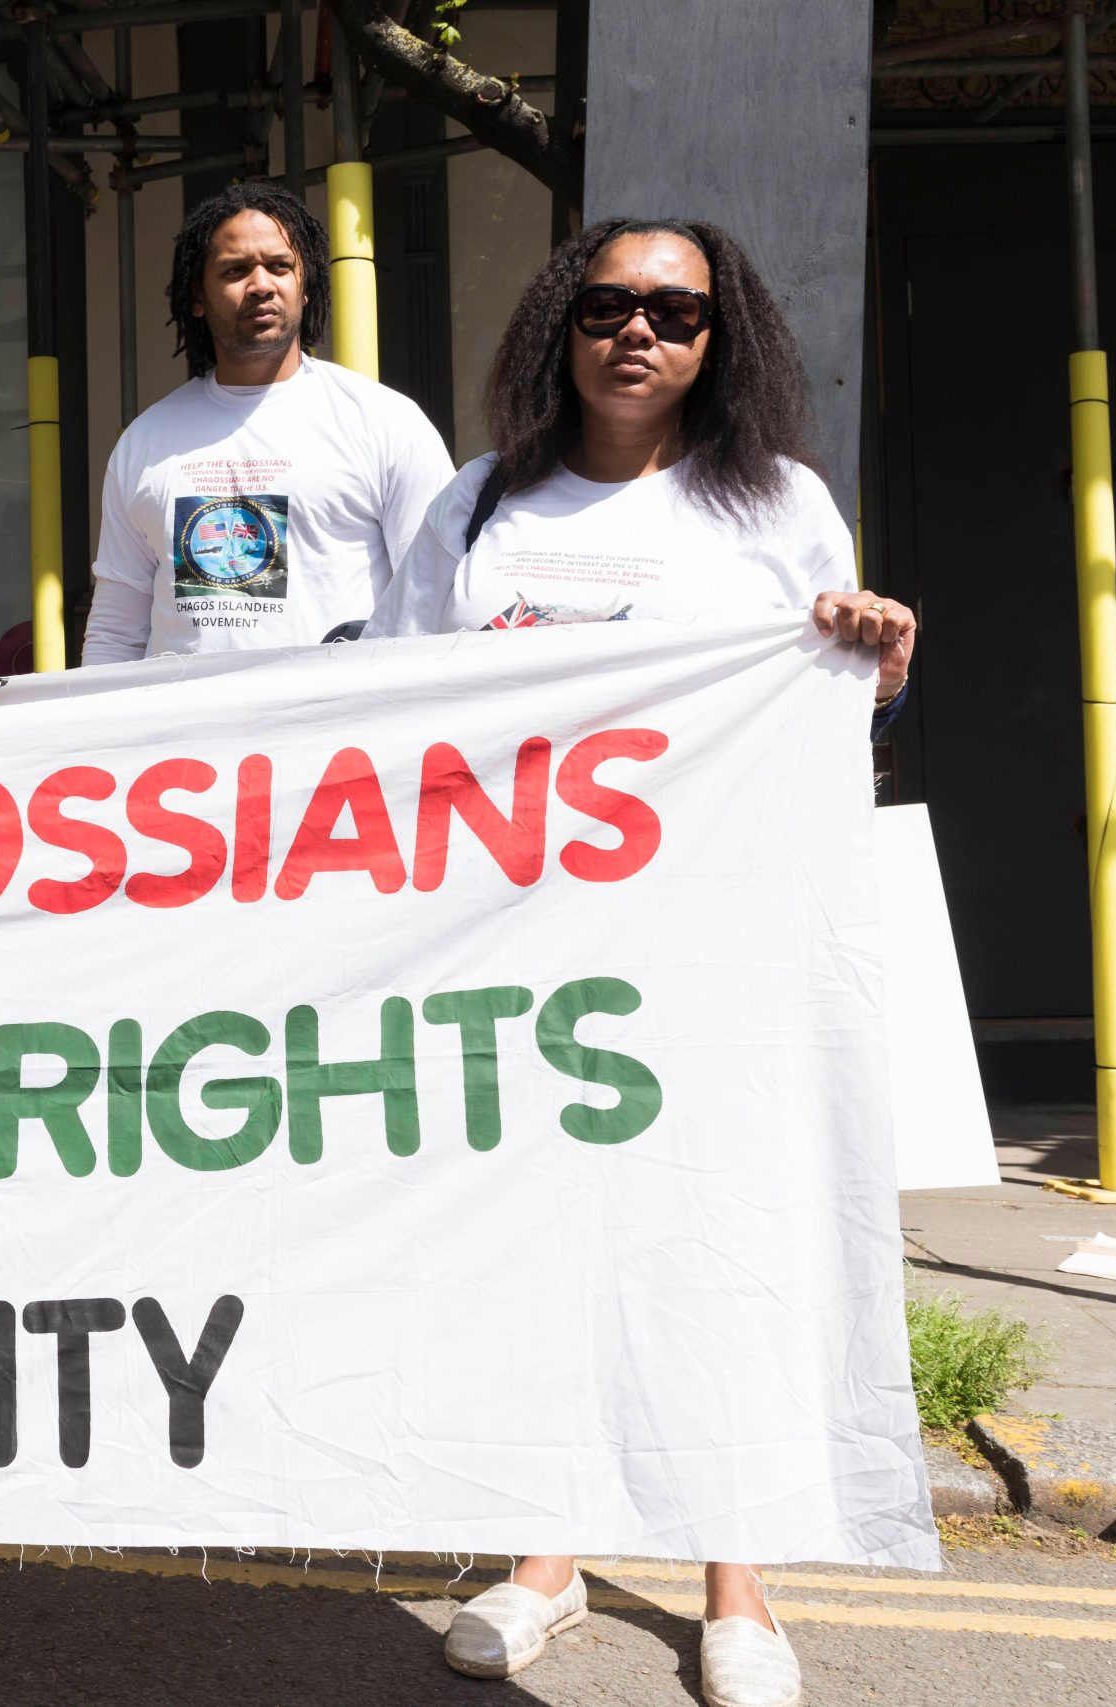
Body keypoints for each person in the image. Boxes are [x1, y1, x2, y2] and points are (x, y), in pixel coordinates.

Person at [366, 218, 914, 1707]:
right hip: (516, 951)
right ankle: (547, 1558)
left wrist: (873, 656)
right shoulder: (479, 507)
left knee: (712, 1241)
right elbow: (393, 707)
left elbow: (826, 723)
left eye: (675, 312)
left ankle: (741, 1588)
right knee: (540, 1244)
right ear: (563, 323)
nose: (639, 333)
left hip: (713, 956)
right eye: (608, 304)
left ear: (718, 338)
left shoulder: (777, 504)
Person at [82, 181, 455, 665]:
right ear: (197, 296)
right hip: (189, 736)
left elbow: (437, 601)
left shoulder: (386, 423)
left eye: (280, 266)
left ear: (304, 286)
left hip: (337, 732)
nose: (262, 284)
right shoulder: (146, 442)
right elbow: (115, 632)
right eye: (235, 270)